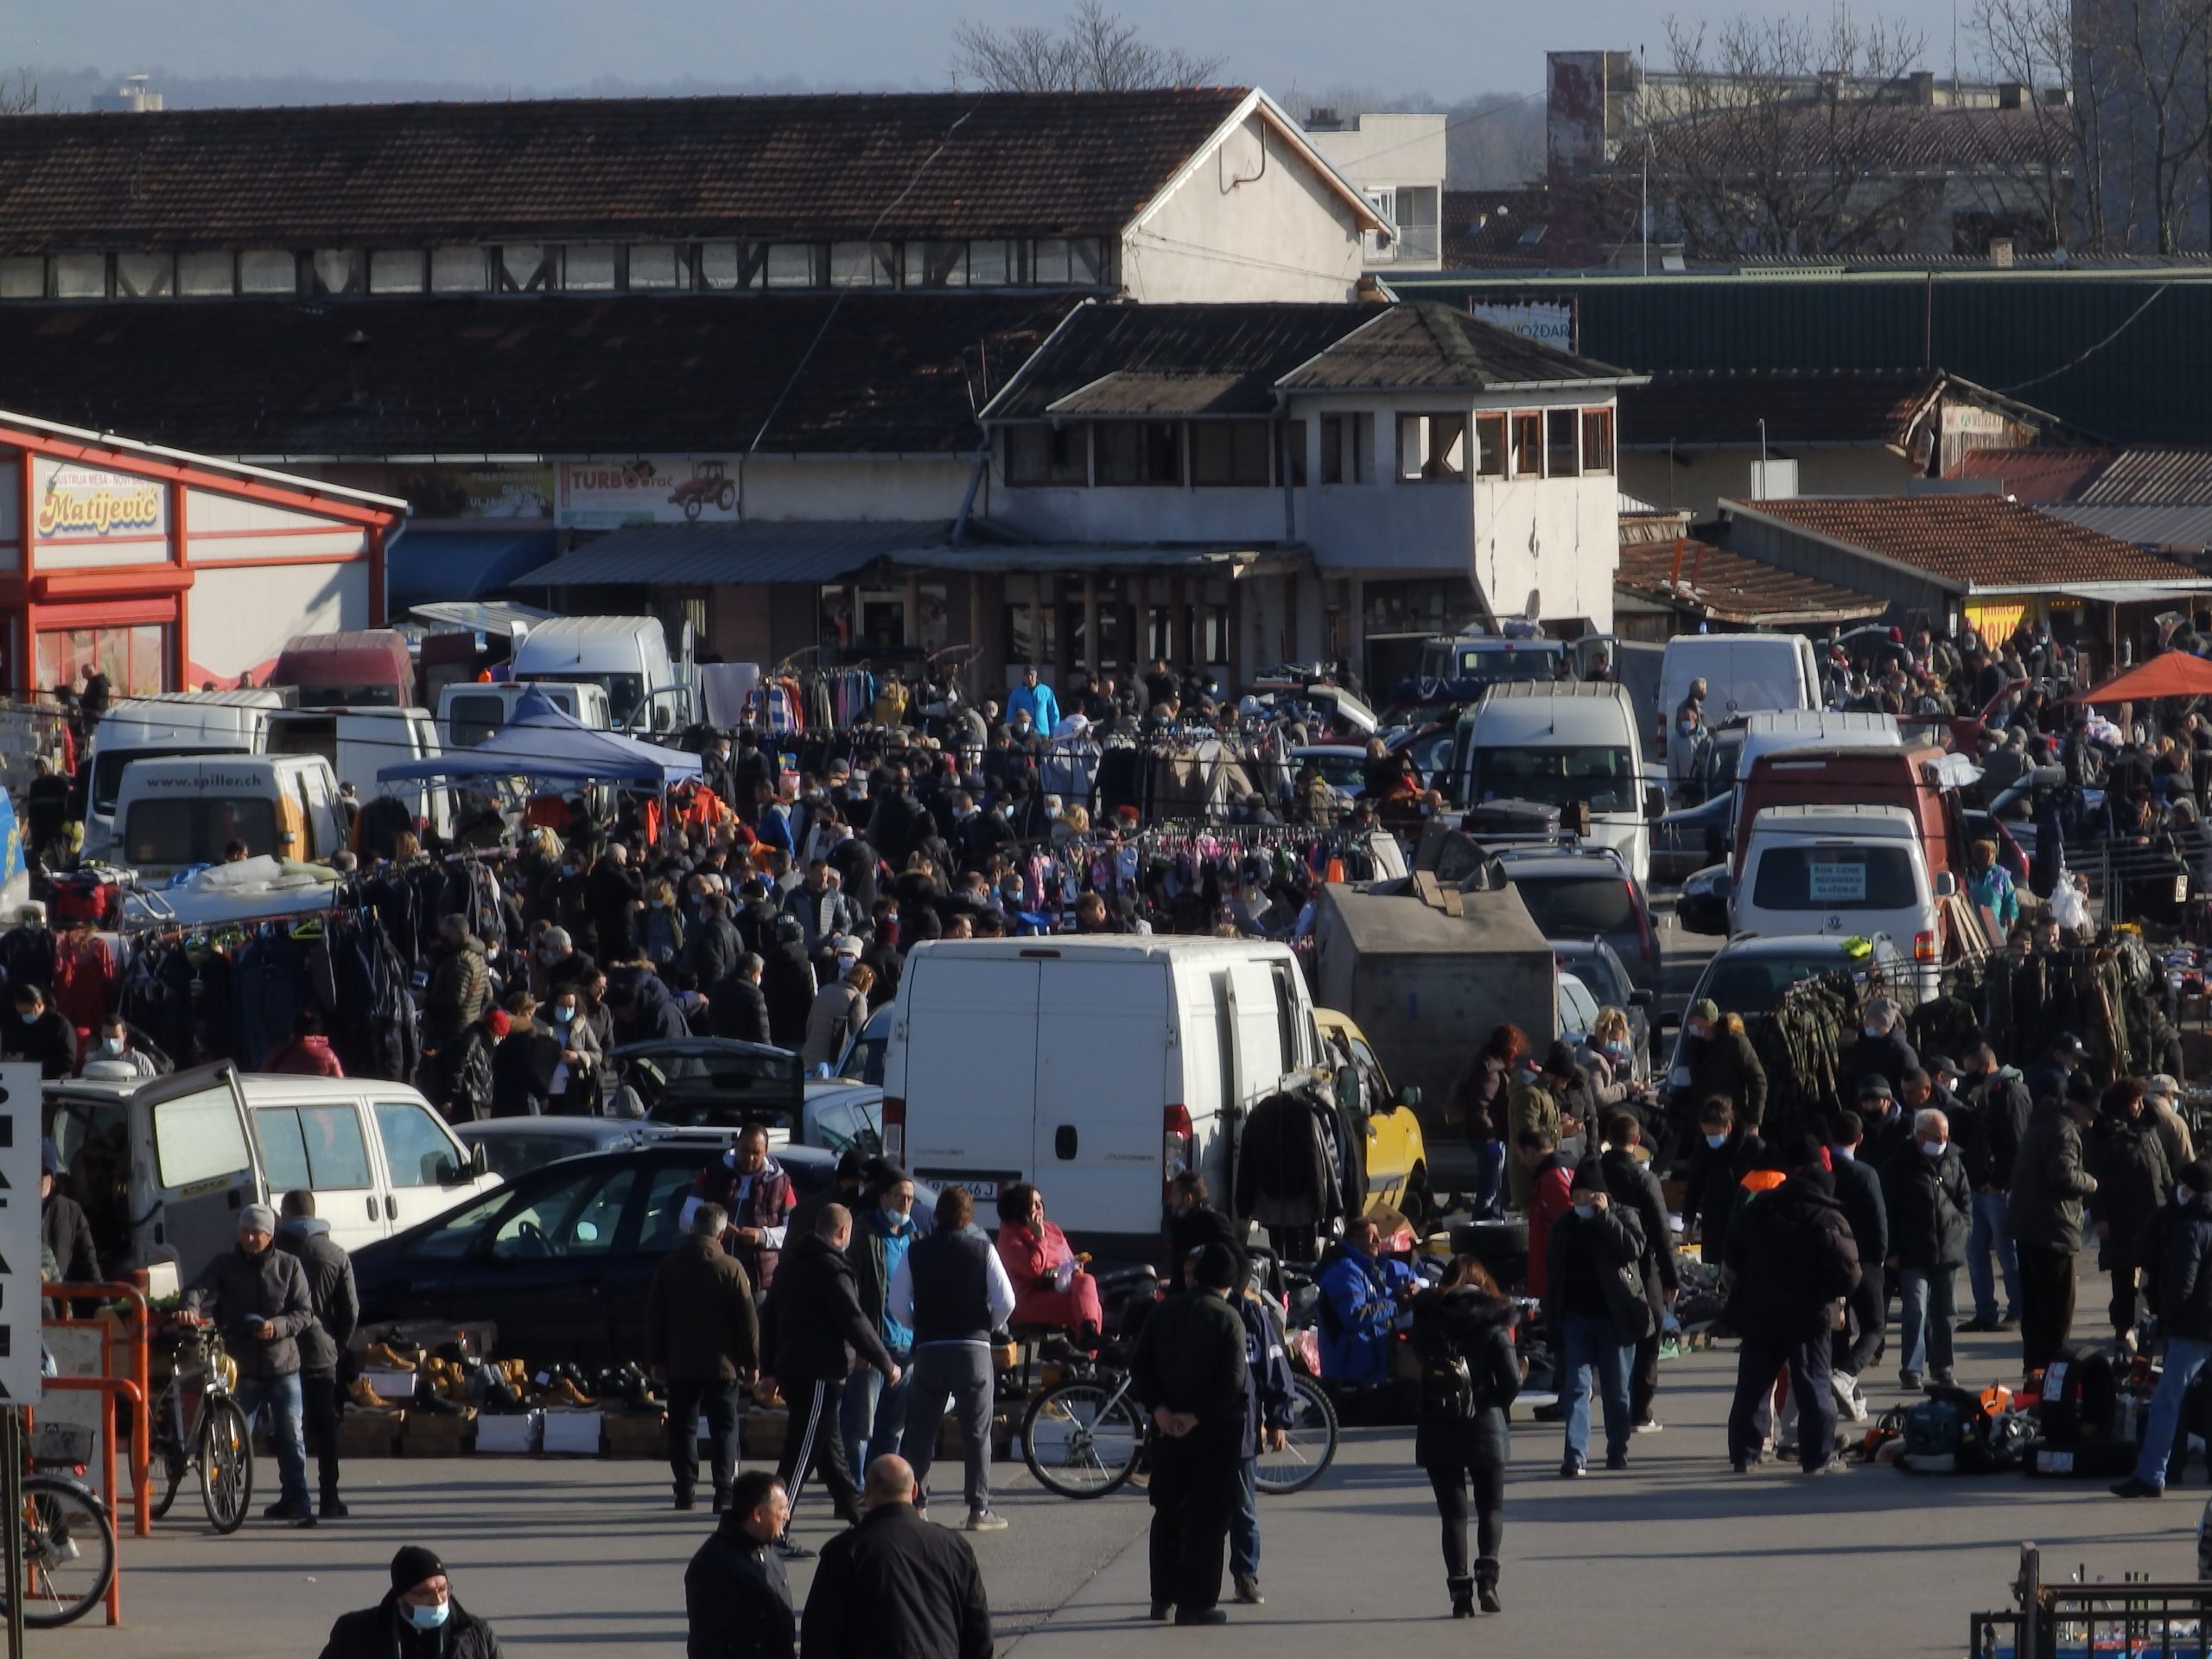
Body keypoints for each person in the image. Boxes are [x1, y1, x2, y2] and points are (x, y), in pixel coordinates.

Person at [1724, 1135, 1862, 1476]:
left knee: (1753, 1385)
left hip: (1760, 1309)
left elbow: (1733, 1255)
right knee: (1813, 1384)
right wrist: (1833, 1297)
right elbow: (1849, 1272)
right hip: (1808, 1314)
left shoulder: (1759, 1208)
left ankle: (1745, 1454)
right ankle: (1817, 1456)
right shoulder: (1826, 1216)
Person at [768, 1204, 899, 1556]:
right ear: (843, 1233)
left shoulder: (792, 1263)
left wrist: (768, 1367)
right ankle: (775, 1530)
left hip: (795, 1366)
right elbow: (853, 1320)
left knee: (833, 1458)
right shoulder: (832, 1270)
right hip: (818, 1373)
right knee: (800, 1455)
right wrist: (885, 1362)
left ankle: (866, 1522)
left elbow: (770, 1315)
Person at [1130, 1241, 1249, 1627]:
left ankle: (1161, 1597)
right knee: (1208, 1519)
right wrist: (1194, 1417)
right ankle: (1195, 1603)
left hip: (1167, 1433)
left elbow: (1141, 1367)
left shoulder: (1164, 1312)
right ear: (1229, 1282)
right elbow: (1231, 1383)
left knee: (1168, 1513)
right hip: (1213, 1433)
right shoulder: (1228, 1318)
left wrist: (1162, 1412)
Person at [893, 1185, 1016, 1533]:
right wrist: (986, 1327)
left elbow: (897, 1303)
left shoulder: (915, 1251)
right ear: (968, 1216)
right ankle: (978, 1508)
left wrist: (920, 1325)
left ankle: (917, 1504)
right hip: (973, 1350)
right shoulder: (982, 1250)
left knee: (920, 1430)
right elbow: (1006, 1301)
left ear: (937, 1214)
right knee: (977, 1432)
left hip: (931, 1349)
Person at [182, 1205, 317, 1524]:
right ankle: (225, 1500)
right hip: (241, 1368)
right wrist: (189, 1307)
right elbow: (197, 1287)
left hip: (283, 1366)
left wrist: (276, 1327)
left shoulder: (290, 1266)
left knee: (291, 1437)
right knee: (232, 1442)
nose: (250, 1237)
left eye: (257, 1232)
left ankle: (297, 1502)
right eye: (245, 1231)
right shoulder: (225, 1265)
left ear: (270, 1235)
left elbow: (304, 1313)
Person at [800, 1455, 993, 1659]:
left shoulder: (845, 1551)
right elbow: (978, 1630)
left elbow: (820, 1634)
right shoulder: (954, 1546)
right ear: (915, 1491)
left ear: (866, 1493)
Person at [1411, 1255, 1519, 1618]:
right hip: (1484, 1423)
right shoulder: (1494, 1322)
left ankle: (1460, 1596)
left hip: (1437, 1423)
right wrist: (1497, 1404)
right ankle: (1487, 1579)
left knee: (1453, 1516)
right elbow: (1511, 1382)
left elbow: (1417, 1362)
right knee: (1490, 1506)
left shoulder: (1428, 1320)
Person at [647, 1202, 760, 1513]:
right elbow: (747, 1322)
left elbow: (655, 1316)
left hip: (680, 1363)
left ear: (694, 1228)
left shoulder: (669, 1266)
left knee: (683, 1428)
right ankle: (724, 1492)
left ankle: (685, 1490)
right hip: (723, 1367)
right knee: (725, 1428)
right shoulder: (731, 1268)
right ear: (721, 1233)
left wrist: (656, 1358)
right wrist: (752, 1364)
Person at [2113, 1160, 2212, 1498]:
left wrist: (2167, 1318)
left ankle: (2153, 1472)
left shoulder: (2189, 1227)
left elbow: (2181, 1284)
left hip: (2191, 1328)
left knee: (2168, 1402)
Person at [1544, 1163, 1651, 1477]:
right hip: (1575, 1319)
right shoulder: (1565, 1225)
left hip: (1614, 1320)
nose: (1581, 1203)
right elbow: (1554, 1270)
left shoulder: (1624, 1217)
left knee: (1617, 1391)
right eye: (1577, 1196)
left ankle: (1617, 1448)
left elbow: (1633, 1249)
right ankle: (1575, 1456)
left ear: (1602, 1196)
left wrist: (1605, 1218)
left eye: (1588, 1196)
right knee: (1577, 1386)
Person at [276, 1190, 358, 1521]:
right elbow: (350, 1309)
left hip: (281, 1349)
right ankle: (330, 1497)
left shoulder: (276, 1252)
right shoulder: (335, 1254)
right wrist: (338, 1344)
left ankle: (292, 1495)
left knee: (287, 1427)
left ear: (285, 1214)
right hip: (322, 1351)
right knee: (325, 1428)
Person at [2008, 1083, 2101, 1376]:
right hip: (2054, 1228)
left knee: (2034, 1307)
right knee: (2057, 1309)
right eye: (2091, 1114)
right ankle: (2053, 1373)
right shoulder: (2064, 1130)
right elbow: (2062, 1175)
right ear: (2079, 1107)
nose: (2091, 1122)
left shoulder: (2039, 1124)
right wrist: (2091, 1182)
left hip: (2028, 1226)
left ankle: (2034, 1368)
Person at [1599, 1113, 1679, 1432]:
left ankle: (1613, 1407)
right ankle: (1640, 1412)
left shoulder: (1594, 1172)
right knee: (1649, 1335)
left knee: (1608, 1340)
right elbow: (1661, 1230)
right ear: (1636, 1142)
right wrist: (1671, 1277)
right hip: (1642, 1268)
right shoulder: (1644, 1179)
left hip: (1600, 1264)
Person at [844, 1167, 923, 1488]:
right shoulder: (864, 1237)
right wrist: (860, 1345)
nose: (906, 1205)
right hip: (874, 1347)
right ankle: (855, 1488)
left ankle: (885, 1490)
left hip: (907, 1348)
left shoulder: (916, 1238)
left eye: (910, 1199)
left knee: (894, 1427)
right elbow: (853, 1295)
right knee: (861, 1426)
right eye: (899, 1197)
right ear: (883, 1198)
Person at [1885, 1107, 1970, 1389]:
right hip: (1913, 1252)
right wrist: (1893, 1251)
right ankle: (1911, 1370)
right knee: (1916, 1311)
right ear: (1920, 1136)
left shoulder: (1954, 1161)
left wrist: (1961, 1231)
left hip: (1948, 1249)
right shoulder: (1899, 1164)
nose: (1942, 1140)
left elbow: (1964, 1201)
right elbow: (1889, 1210)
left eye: (1945, 1135)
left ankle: (1942, 1366)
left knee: (1946, 1312)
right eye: (1936, 1136)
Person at [2088, 1077, 2173, 1349]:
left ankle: (2160, 1324)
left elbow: (2164, 1170)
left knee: (2161, 1271)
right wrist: (2099, 1216)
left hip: (2156, 1211)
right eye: (2133, 1102)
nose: (2138, 1107)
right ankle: (2123, 1328)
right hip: (2121, 1215)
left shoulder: (2149, 1130)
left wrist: (2174, 1203)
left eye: (2140, 1101)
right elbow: (2096, 1179)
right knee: (2124, 1276)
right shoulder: (2105, 1136)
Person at [316, 1547, 504, 1659]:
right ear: (401, 1597)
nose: (438, 1600)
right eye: (425, 1593)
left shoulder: (478, 1634)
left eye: (443, 1589)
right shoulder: (355, 1633)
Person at [687, 1470, 795, 1659]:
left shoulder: (767, 1553)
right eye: (782, 1509)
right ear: (758, 1513)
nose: (787, 1516)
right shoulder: (714, 1564)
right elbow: (707, 1644)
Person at [1960, 1043, 2029, 1332]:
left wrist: (1999, 1182)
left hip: (2000, 1189)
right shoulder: (1989, 1093)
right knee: (1976, 1252)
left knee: (2007, 1252)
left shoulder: (2010, 1093)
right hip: (1980, 1185)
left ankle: (2019, 1309)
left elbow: (2015, 1143)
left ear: (1986, 1065)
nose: (1967, 1077)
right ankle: (1985, 1312)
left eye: (1971, 1069)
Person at [1824, 1110, 1888, 1422]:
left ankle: (1842, 1382)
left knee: (1838, 1327)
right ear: (1860, 1139)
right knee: (1874, 1325)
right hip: (1863, 1259)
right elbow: (1878, 1221)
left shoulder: (1822, 1172)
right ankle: (1846, 1375)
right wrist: (1879, 1258)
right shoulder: (1865, 1174)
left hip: (1828, 1259)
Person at [687, 1126, 797, 1295]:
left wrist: (762, 1236)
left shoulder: (780, 1183)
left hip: (759, 1282)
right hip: (714, 1273)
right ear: (735, 1146)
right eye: (745, 1150)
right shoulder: (711, 1175)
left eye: (756, 1152)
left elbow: (793, 1231)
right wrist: (715, 1230)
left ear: (766, 1151)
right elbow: (686, 1218)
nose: (750, 1157)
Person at [1314, 1213, 1419, 1389]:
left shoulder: (1363, 1268)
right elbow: (1355, 1315)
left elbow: (1375, 1301)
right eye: (1372, 1236)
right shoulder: (1344, 1271)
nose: (1379, 1241)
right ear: (1355, 1238)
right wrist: (1396, 1302)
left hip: (1369, 1359)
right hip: (1352, 1367)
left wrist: (1402, 1295)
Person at [993, 1183, 1102, 1345]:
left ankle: (1086, 1345)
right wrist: (1039, 1238)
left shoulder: (1052, 1228)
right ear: (1021, 1210)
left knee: (1086, 1281)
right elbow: (1033, 1269)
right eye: (1034, 1204)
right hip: (1028, 1299)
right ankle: (1086, 1358)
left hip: (1060, 1287)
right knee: (1091, 1311)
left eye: (1041, 1203)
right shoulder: (1009, 1238)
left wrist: (1075, 1267)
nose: (1040, 1208)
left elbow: (1069, 1258)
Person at [1682, 1000, 1766, 1130]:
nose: (1691, 1025)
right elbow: (1697, 1086)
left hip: (1730, 1119)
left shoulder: (1734, 1042)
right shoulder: (1695, 1045)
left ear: (1708, 1021)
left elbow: (1757, 1079)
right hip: (1704, 1121)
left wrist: (1754, 1121)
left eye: (1694, 1021)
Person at [39, 1139, 97, 1290]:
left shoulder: (71, 1212)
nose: (38, 1179)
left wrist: (102, 1306)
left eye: (44, 1172)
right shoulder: (9, 1211)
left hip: (59, 1308)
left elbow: (89, 1265)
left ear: (52, 1176)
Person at [801, 963, 872, 1071]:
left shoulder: (825, 990)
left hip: (808, 1057)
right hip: (833, 1062)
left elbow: (809, 1025)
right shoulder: (857, 999)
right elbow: (860, 1032)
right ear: (865, 984)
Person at [7, 984, 77, 1079]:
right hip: (26, 1081)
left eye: (27, 1012)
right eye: (21, 1013)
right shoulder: (21, 1025)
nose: (24, 1016)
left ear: (39, 1005)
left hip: (54, 1083)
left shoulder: (59, 1024)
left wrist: (30, 1063)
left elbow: (68, 1061)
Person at [263, 1007, 345, 1077]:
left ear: (293, 1031)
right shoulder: (329, 1056)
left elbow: (260, 1081)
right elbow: (341, 1086)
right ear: (319, 1033)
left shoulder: (276, 1054)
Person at [84, 1014, 157, 1079]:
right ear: (101, 1035)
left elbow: (152, 1090)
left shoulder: (140, 1061)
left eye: (115, 1037)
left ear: (124, 1035)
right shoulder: (92, 1064)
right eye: (107, 1037)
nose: (111, 1041)